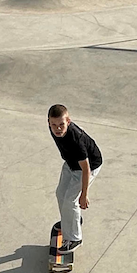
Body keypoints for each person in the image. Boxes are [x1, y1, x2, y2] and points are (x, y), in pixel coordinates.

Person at [47, 104, 102, 253]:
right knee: (60, 194)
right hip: (70, 163)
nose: (58, 129)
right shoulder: (53, 129)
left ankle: (75, 238)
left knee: (71, 200)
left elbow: (86, 169)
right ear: (49, 123)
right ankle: (70, 222)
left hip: (87, 167)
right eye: (54, 125)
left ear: (68, 122)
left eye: (61, 125)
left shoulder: (76, 140)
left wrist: (84, 195)